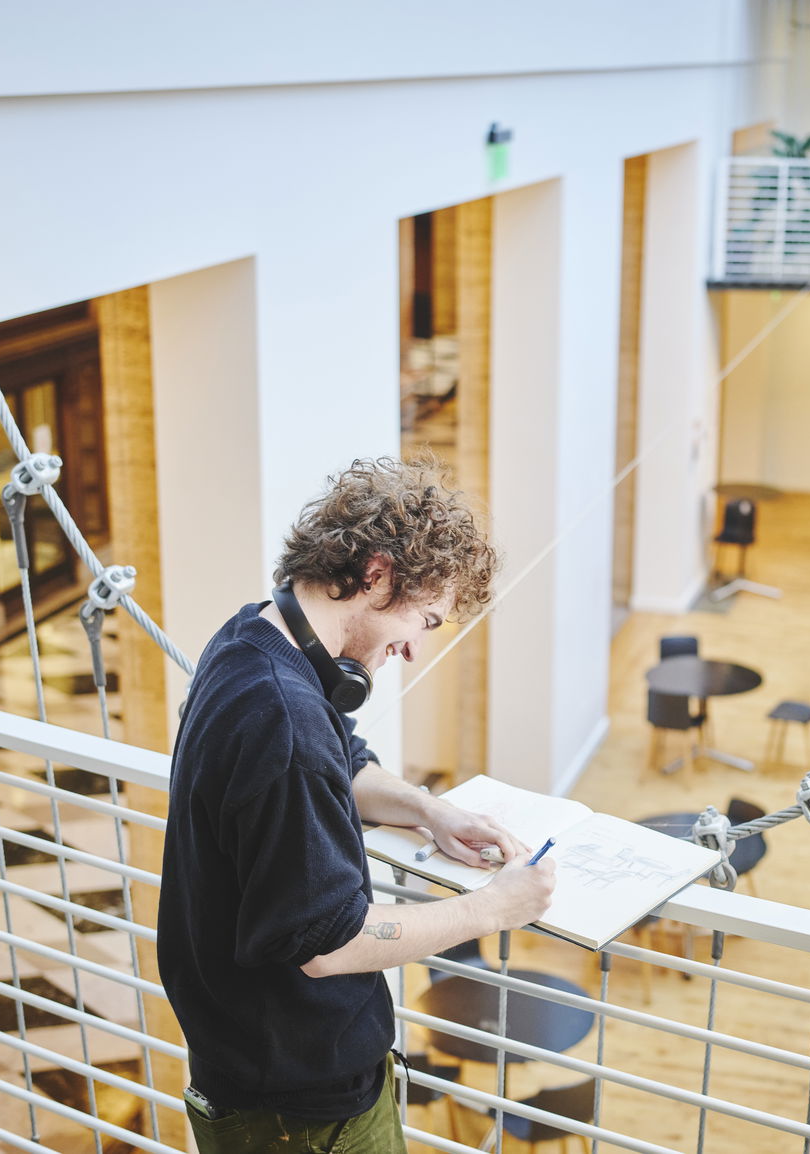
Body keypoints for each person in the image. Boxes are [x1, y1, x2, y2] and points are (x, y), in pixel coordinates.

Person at [157, 456, 556, 1154]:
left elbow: (340, 756)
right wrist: (497, 907)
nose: (413, 648)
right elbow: (329, 942)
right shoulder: (285, 721)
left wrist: (427, 810)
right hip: (303, 1116)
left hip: (255, 1085)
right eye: (424, 619)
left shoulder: (252, 641)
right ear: (376, 574)